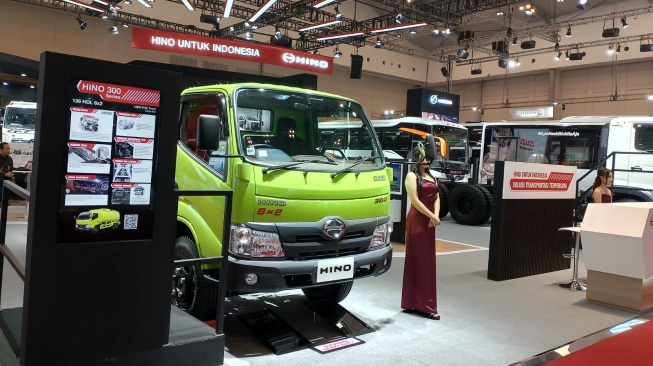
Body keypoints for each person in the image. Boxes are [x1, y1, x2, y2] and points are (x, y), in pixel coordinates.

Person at [401, 143, 441, 320]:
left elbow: (437, 196)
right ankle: (422, 305)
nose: (428, 160)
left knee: (427, 262)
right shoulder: (411, 175)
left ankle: (418, 302)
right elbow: (415, 201)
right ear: (416, 158)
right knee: (418, 260)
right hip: (417, 220)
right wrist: (432, 215)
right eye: (424, 157)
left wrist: (436, 216)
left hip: (430, 221)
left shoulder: (431, 176)